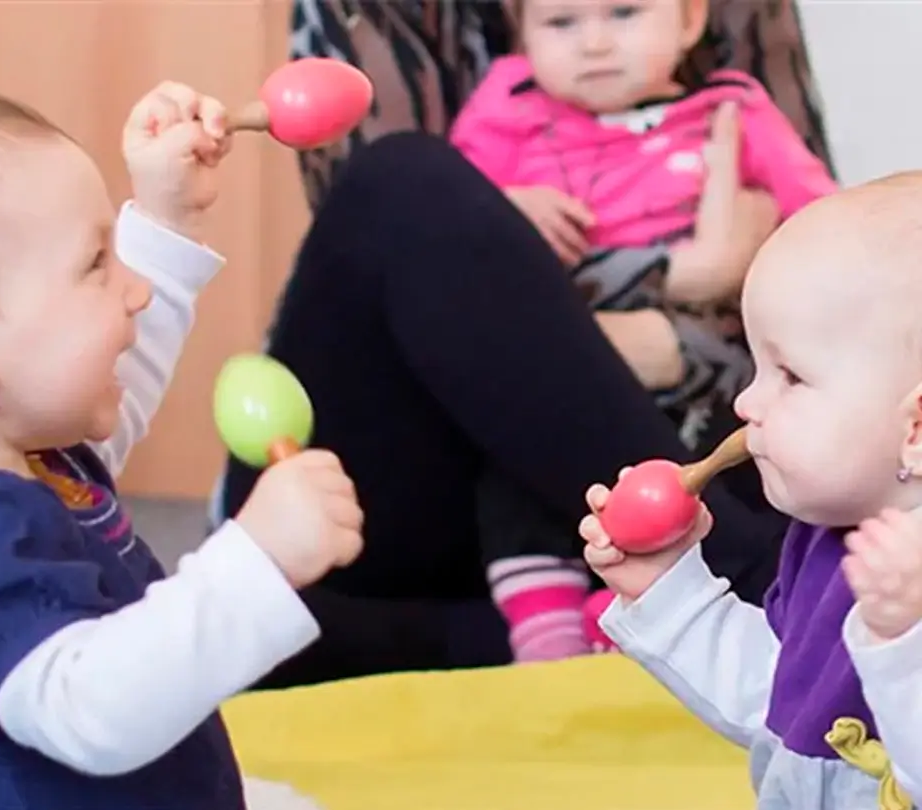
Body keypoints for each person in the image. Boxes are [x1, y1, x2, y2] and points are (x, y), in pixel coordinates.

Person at [213, 0, 834, 687]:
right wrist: (687, 274)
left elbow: (822, 251)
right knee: (404, 179)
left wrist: (687, 344)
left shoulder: (732, 83)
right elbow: (431, 258)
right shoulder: (467, 84)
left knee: (832, 362)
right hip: (428, 478)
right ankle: (745, 586)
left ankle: (710, 598)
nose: (594, 42)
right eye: (563, 24)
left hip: (684, 421)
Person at [0, 85, 362, 809]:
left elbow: (121, 378)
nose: (135, 293)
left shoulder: (31, 447)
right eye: (95, 265)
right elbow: (86, 710)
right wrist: (255, 560)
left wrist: (166, 218)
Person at [447, 0, 836, 661]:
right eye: (560, 24)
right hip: (563, 356)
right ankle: (543, 627)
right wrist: (504, 206)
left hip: (698, 367)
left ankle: (633, 605)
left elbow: (821, 220)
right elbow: (446, 218)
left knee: (721, 464)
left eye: (623, 14)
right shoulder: (507, 104)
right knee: (511, 461)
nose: (593, 43)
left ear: (689, 23)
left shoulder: (731, 108)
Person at [582, 174, 922, 808]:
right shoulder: (826, 540)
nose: (744, 401)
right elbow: (778, 705)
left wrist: (905, 643)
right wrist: (667, 588)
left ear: (917, 426)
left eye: (789, 376)